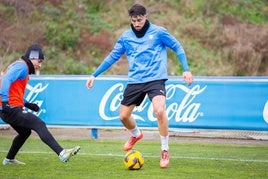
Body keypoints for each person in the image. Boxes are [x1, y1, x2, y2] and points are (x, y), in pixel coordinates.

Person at [85, 4, 193, 168]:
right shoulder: (126, 37)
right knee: (123, 116)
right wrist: (94, 75)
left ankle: (164, 149)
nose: (137, 23)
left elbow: (177, 46)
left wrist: (186, 69)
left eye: (140, 19)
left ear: (146, 16)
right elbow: (112, 57)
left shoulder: (158, 32)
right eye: (134, 20)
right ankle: (136, 134)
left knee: (159, 110)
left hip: (156, 79)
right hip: (135, 80)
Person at [0, 44, 80, 165]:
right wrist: (5, 102)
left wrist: (27, 104)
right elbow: (5, 80)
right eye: (39, 61)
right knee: (38, 123)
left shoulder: (21, 66)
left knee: (25, 132)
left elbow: (14, 90)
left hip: (8, 107)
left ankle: (9, 159)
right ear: (32, 57)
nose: (40, 65)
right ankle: (62, 153)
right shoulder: (22, 66)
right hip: (9, 108)